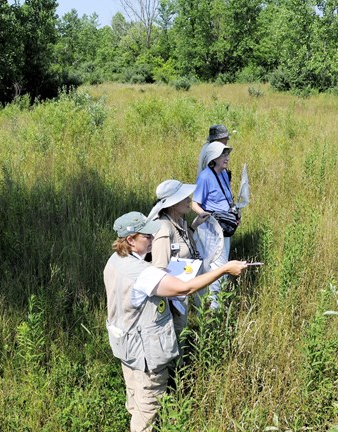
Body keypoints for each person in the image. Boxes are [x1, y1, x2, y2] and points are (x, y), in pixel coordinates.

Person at [104, 211, 247, 432]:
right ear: (130, 240)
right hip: (146, 354)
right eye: (147, 237)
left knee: (135, 399)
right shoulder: (141, 274)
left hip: (125, 346)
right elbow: (185, 288)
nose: (153, 240)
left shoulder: (115, 261)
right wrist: (224, 269)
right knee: (147, 410)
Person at [147, 180, 210, 349]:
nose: (189, 200)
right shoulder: (163, 228)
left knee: (182, 328)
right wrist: (169, 302)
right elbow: (158, 269)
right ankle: (176, 368)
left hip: (181, 289)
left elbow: (182, 245)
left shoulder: (180, 221)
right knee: (176, 330)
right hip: (172, 294)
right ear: (173, 204)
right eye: (184, 198)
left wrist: (194, 226)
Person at [191, 141, 237, 309]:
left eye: (227, 154)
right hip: (211, 227)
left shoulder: (223, 173)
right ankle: (214, 307)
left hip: (225, 226)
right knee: (218, 264)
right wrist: (204, 215)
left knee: (221, 261)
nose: (227, 158)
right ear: (214, 158)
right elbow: (194, 203)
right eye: (223, 155)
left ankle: (216, 302)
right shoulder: (205, 177)